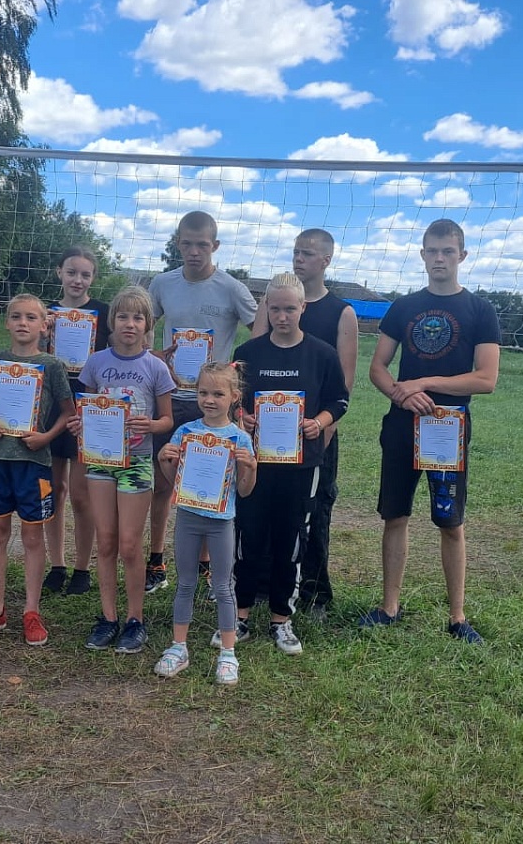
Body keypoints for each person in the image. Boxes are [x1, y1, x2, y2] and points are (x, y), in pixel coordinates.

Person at [364, 219, 500, 644]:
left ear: (462, 255)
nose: (439, 259)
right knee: (395, 515)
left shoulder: (480, 310)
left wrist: (423, 382)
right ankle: (389, 607)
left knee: (450, 521)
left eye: (448, 251)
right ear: (422, 255)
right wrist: (402, 396)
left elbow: (486, 379)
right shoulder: (404, 306)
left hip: (447, 428)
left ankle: (457, 617)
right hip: (402, 425)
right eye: (432, 251)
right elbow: (378, 368)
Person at [233, 274, 349, 655]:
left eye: (289, 309)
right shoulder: (248, 353)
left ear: (303, 307)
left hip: (302, 466)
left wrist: (320, 422)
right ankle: (240, 615)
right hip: (255, 464)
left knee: (292, 540)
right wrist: (243, 418)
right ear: (266, 308)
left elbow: (339, 401)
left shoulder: (322, 354)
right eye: (275, 309)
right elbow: (232, 401)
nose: (282, 317)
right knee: (248, 536)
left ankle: (282, 619)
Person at [146, 211, 257, 593]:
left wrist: (234, 371)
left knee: (215, 481)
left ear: (216, 246)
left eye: (202, 245)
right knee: (163, 480)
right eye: (187, 244)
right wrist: (151, 353)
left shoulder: (232, 289)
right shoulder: (162, 284)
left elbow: (259, 334)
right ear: (178, 243)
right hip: (171, 398)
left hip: (214, 403)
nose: (194, 252)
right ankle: (156, 561)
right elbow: (143, 324)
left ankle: (208, 565)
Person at [250, 229, 357, 621]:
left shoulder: (341, 312)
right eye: (296, 252)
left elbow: (343, 385)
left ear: (326, 260)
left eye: (308, 254)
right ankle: (264, 586)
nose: (299, 259)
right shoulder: (272, 301)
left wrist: (322, 435)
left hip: (315, 435)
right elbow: (252, 365)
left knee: (315, 511)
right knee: (263, 506)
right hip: (266, 435)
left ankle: (314, 592)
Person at [0, 294, 75, 645]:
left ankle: (31, 611)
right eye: (16, 316)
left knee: (32, 538)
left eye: (30, 317)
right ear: (7, 322)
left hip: (34, 464)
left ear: (44, 326)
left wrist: (46, 437)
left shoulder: (51, 365)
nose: (23, 323)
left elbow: (68, 412)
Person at [69, 286, 177, 654]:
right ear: (112, 321)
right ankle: (108, 617)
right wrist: (80, 425)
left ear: (148, 325)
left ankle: (135, 620)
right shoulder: (96, 363)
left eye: (138, 317)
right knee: (106, 541)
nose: (130, 324)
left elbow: (167, 420)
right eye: (123, 316)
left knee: (130, 545)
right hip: (101, 462)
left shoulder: (156, 367)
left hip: (137, 463)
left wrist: (152, 425)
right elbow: (83, 410)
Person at [154, 362, 257, 684]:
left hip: (221, 521)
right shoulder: (186, 433)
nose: (209, 400)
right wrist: (163, 460)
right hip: (188, 516)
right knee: (185, 583)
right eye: (203, 393)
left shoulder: (239, 438)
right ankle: (178, 647)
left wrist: (251, 468)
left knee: (223, 586)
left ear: (234, 396)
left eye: (218, 394)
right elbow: (174, 480)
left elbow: (245, 491)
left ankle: (228, 652)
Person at [42, 246, 112, 597]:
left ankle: (82, 568)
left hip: (89, 409)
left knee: (82, 495)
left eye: (85, 274)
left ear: (93, 278)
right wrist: (43, 331)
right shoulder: (45, 313)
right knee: (54, 489)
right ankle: (57, 565)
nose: (77, 280)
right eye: (71, 272)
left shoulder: (104, 313)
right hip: (51, 407)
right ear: (60, 272)